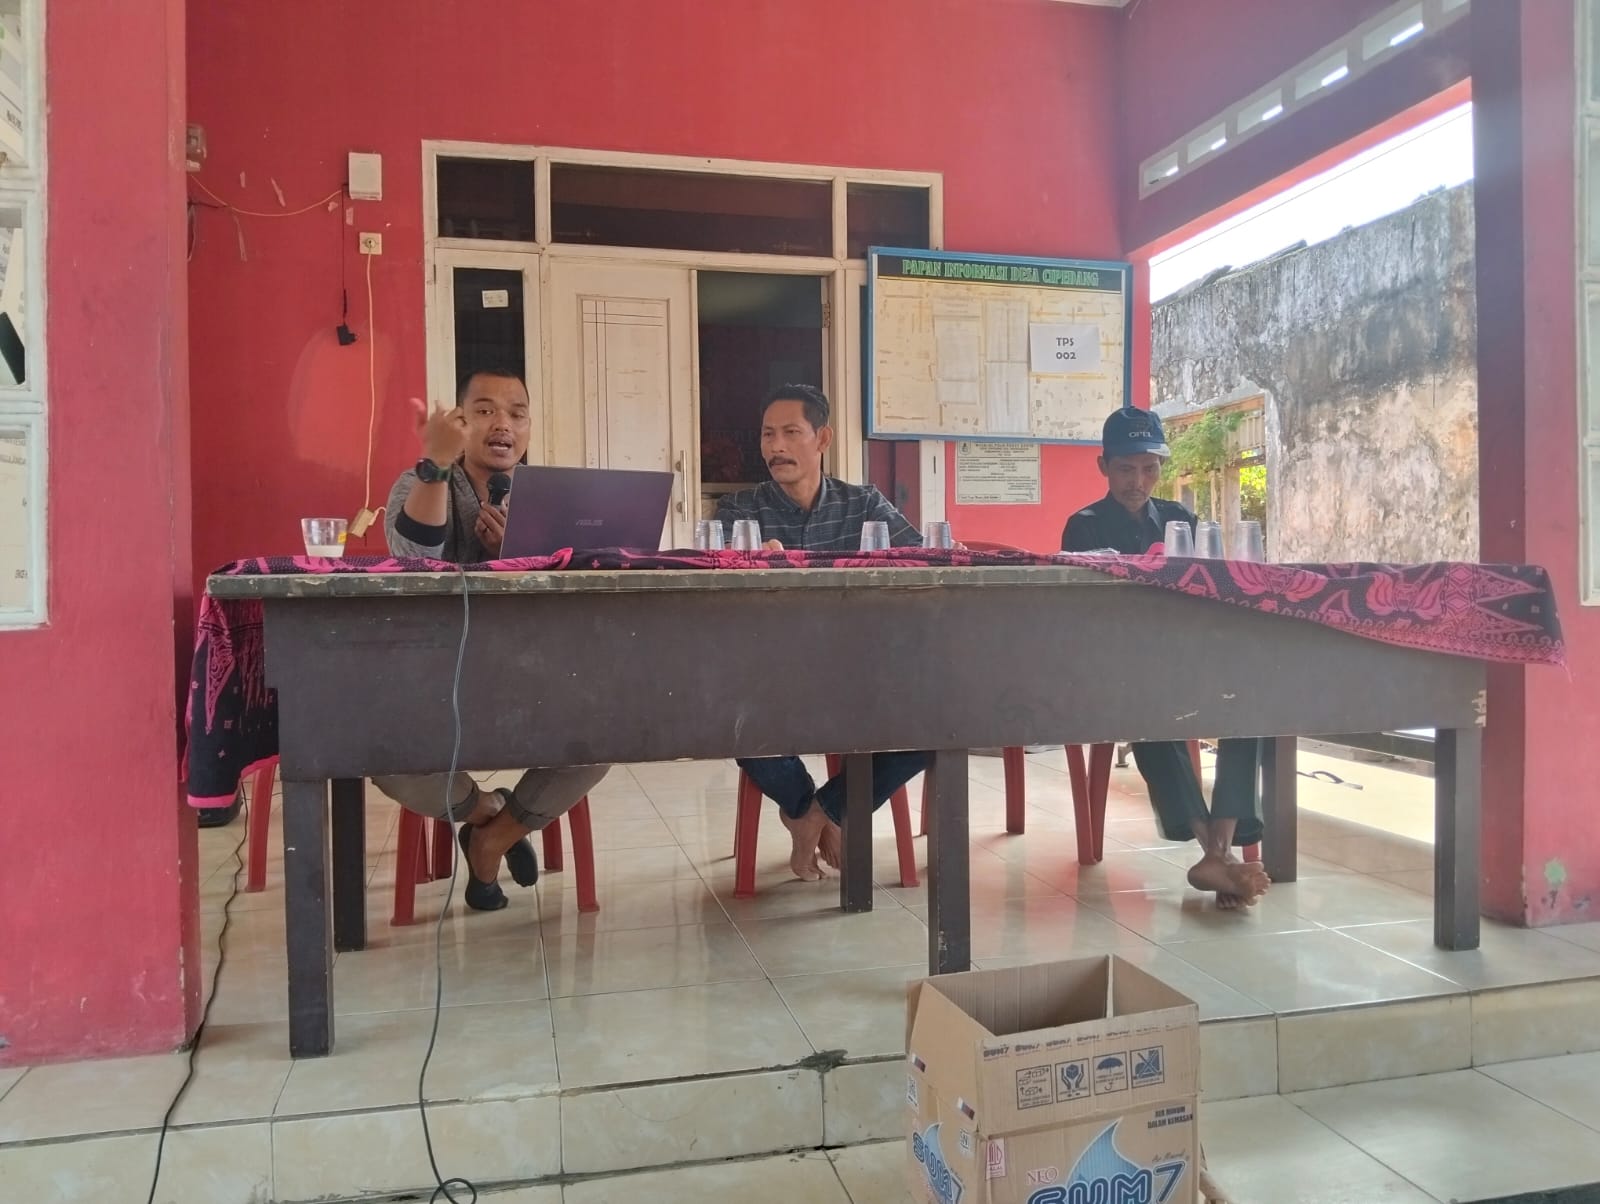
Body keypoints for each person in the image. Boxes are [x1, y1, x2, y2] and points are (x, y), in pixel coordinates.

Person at [375, 364, 612, 911]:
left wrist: (520, 555)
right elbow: (412, 559)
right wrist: (436, 465)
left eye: (517, 413)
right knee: (385, 758)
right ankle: (486, 808)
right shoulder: (421, 482)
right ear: (460, 423)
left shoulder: (554, 500)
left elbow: (579, 598)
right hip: (441, 684)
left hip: (535, 678)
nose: (503, 424)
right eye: (484, 410)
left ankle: (491, 841)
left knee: (607, 733)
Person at [716, 383, 930, 880]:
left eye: (791, 432)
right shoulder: (739, 512)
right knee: (730, 714)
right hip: (773, 672)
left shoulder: (865, 504)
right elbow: (714, 589)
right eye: (768, 435)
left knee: (938, 718)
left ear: (823, 439)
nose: (776, 447)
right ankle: (804, 806)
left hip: (861, 667)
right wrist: (746, 564)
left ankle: (820, 812)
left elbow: (920, 560)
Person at [1061, 406, 1270, 909]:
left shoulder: (1180, 519)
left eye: (1149, 468)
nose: (1138, 481)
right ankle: (1213, 852)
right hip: (1120, 665)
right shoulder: (1083, 527)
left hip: (1184, 655)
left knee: (1251, 702)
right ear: (1104, 466)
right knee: (1148, 704)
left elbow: (1206, 592)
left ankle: (1218, 851)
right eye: (1125, 469)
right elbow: (1084, 612)